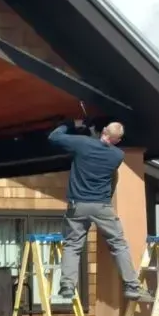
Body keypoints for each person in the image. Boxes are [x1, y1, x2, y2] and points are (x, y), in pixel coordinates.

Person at [47, 119, 151, 303]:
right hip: (102, 206)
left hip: (78, 205)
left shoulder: (82, 143)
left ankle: (67, 287)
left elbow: (54, 137)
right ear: (118, 140)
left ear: (103, 130)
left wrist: (71, 124)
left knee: (73, 245)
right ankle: (132, 287)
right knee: (118, 245)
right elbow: (105, 157)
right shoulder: (117, 155)